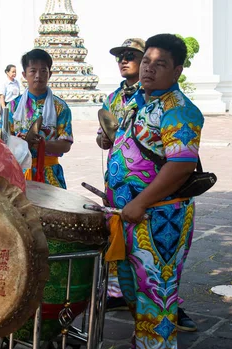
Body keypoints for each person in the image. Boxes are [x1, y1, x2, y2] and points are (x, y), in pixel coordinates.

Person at [101, 34, 203, 349]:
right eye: (148, 62)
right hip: (127, 214)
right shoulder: (138, 101)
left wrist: (141, 202)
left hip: (160, 217)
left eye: (160, 64)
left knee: (156, 290)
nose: (149, 68)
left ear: (177, 69)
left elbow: (181, 165)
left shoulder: (179, 109)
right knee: (132, 289)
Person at [97, 38, 145, 313]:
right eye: (120, 57)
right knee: (116, 236)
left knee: (145, 248)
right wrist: (103, 140)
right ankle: (117, 291)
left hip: (142, 188)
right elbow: (103, 137)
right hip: (115, 183)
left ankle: (164, 304)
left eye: (130, 56)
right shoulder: (113, 98)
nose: (123, 60)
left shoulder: (149, 96)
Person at [4, 49, 72, 189]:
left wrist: (43, 144)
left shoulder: (60, 107)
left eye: (43, 71)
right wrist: (19, 143)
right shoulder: (12, 107)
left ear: (50, 74)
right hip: (18, 173)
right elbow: (2, 141)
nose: (38, 76)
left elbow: (66, 145)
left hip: (49, 172)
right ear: (24, 75)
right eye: (33, 71)